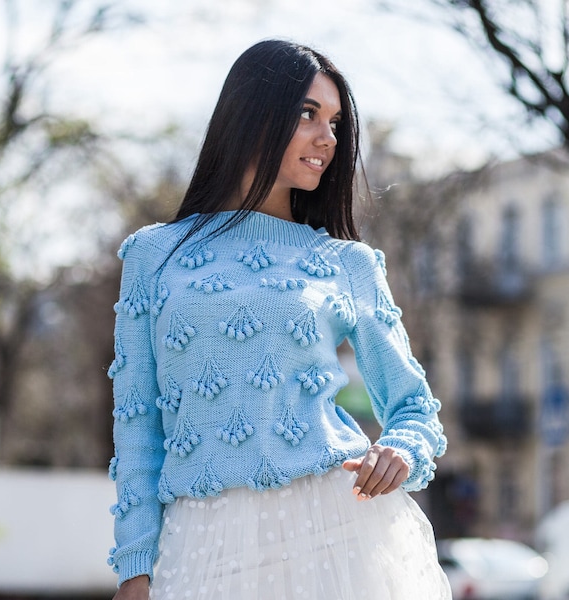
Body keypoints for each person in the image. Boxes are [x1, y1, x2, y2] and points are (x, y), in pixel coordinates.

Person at [108, 39, 451, 600]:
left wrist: (401, 451)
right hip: (199, 545)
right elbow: (137, 425)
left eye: (336, 122)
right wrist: (134, 567)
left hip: (337, 536)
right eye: (308, 114)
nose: (328, 139)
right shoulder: (154, 255)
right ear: (252, 115)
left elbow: (414, 407)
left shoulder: (347, 264)